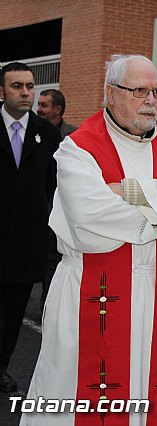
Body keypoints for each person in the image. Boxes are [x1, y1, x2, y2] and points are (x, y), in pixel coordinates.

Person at [21, 54, 157, 426]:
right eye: (140, 90)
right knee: (74, 394)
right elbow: (91, 218)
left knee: (149, 385)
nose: (151, 100)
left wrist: (130, 192)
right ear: (111, 93)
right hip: (89, 289)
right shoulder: (79, 147)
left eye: (156, 91)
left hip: (156, 293)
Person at [0, 62, 61, 395]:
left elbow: (52, 186)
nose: (25, 92)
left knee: (13, 313)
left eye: (29, 86)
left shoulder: (47, 133)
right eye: (16, 86)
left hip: (26, 243)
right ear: (2, 91)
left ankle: (2, 366)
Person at [36, 88, 78, 313]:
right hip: (39, 209)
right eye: (39, 104)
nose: (39, 109)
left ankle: (51, 310)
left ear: (58, 109)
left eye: (44, 105)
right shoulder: (33, 131)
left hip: (64, 211)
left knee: (55, 263)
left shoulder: (73, 136)